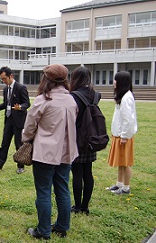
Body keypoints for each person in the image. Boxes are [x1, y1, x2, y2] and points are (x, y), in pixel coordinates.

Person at [22, 64, 78, 240]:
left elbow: (29, 126)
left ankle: (44, 230)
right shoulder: (71, 100)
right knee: (62, 189)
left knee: (44, 191)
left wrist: (26, 139)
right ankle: (62, 226)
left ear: (46, 79)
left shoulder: (43, 100)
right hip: (66, 152)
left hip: (45, 153)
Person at [69, 66, 100, 215]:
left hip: (77, 138)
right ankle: (85, 206)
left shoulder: (74, 96)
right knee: (88, 172)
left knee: (77, 173)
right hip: (91, 138)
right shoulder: (95, 95)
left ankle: (77, 205)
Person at [0, 66, 30, 174]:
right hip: (9, 119)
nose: (3, 81)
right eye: (1, 79)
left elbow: (27, 103)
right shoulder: (5, 89)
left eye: (4, 79)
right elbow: (6, 104)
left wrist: (20, 107)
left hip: (19, 121)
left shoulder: (21, 88)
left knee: (19, 144)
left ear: (11, 76)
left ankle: (20, 166)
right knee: (4, 143)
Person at [106, 71, 137, 194]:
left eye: (116, 80)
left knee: (125, 162)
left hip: (123, 136)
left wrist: (124, 135)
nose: (114, 82)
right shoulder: (123, 96)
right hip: (119, 134)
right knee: (120, 162)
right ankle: (119, 184)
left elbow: (128, 120)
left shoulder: (126, 98)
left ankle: (126, 187)